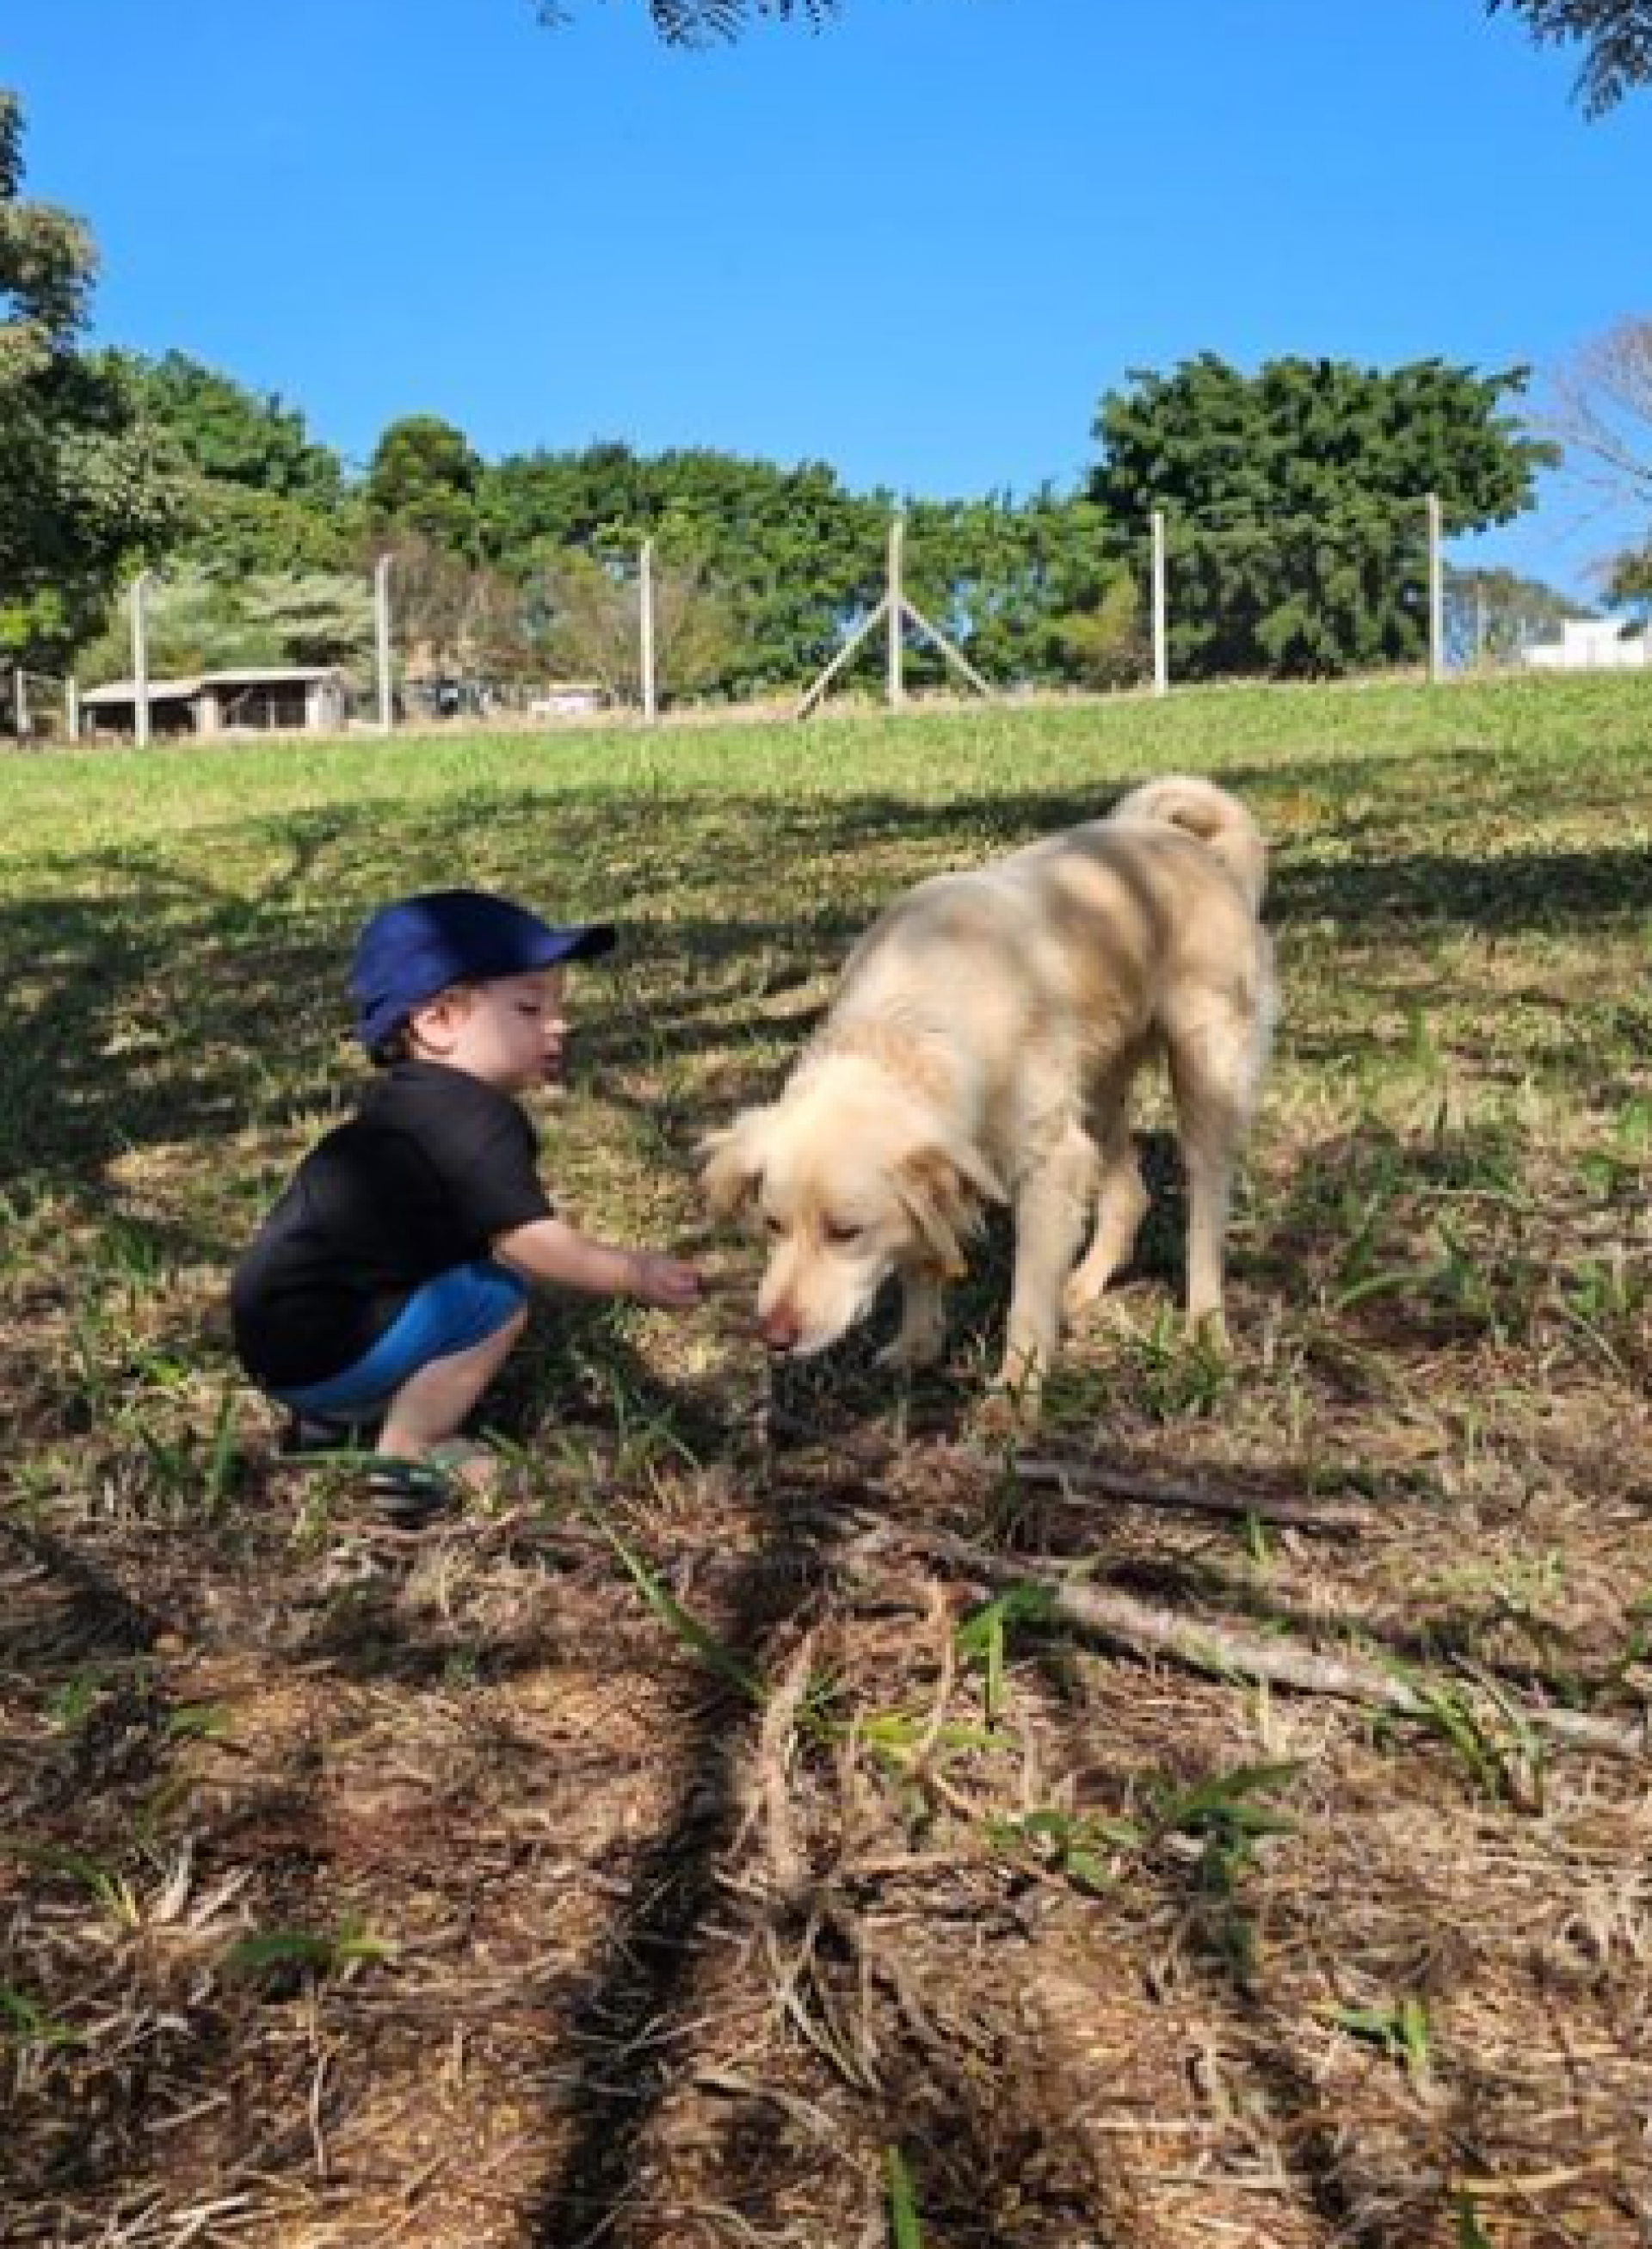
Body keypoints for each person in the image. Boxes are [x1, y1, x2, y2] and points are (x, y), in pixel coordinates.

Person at [231, 889, 701, 1517]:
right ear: (438, 1021)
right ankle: (411, 1450)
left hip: (278, 1348)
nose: (559, 1024)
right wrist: (633, 1274)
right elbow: (529, 1240)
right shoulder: (475, 1118)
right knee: (495, 1294)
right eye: (531, 1006)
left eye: (560, 1006)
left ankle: (337, 1424)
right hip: (332, 1346)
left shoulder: (402, 1104)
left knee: (456, 1282)